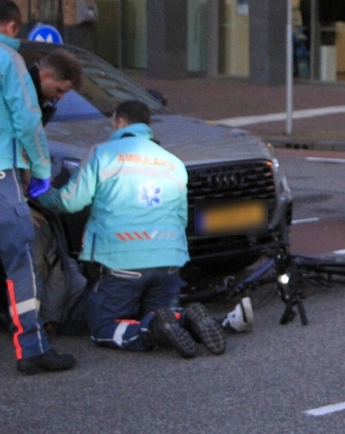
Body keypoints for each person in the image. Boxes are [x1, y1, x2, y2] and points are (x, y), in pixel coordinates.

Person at [37, 100, 225, 358]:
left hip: (123, 262)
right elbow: (180, 218)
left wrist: (40, 193)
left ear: (120, 121)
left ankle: (152, 331)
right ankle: (184, 319)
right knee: (157, 312)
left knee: (103, 327)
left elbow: (71, 202)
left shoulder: (103, 154)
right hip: (169, 261)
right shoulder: (173, 163)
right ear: (147, 125)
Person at [0, 0, 76, 374]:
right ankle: (32, 348)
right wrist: (40, 172)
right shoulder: (6, 58)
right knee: (20, 256)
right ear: (12, 26)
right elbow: (27, 123)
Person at [0, 48, 83, 332]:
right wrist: (20, 201)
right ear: (46, 74)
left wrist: (26, 190)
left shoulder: (38, 95)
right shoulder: (20, 88)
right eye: (60, 90)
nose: (60, 97)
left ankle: (2, 310)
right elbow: (14, 140)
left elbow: (23, 147)